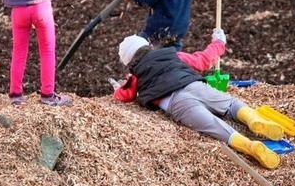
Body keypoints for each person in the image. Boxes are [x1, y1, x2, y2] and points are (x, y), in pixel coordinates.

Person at [112, 29, 282, 169]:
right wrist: (218, 43)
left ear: (130, 62)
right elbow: (203, 61)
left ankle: (250, 146)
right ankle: (253, 119)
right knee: (231, 104)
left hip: (176, 102)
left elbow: (125, 95)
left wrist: (118, 89)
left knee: (214, 127)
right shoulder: (172, 55)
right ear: (149, 46)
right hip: (195, 86)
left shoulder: (135, 76)